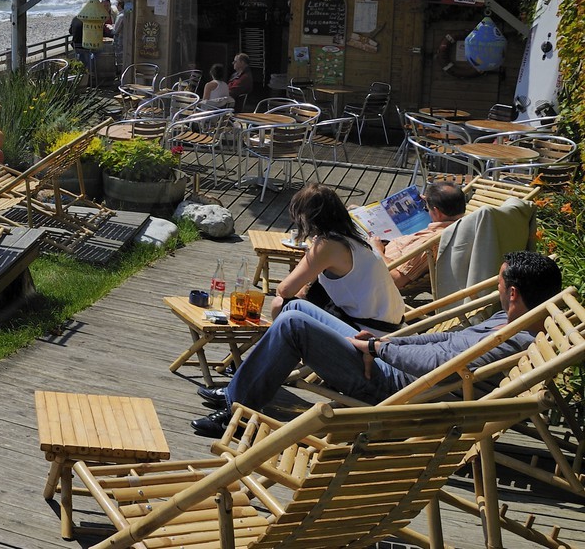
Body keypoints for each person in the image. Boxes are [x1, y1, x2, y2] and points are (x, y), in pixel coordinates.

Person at [193, 250, 562, 435]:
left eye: (499, 284)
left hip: (399, 389)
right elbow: (446, 339)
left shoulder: (515, 339)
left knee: (293, 325)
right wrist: (387, 341)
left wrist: (377, 349)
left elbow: (439, 363)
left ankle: (235, 412)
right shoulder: (518, 316)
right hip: (394, 364)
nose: (496, 289)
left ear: (512, 293)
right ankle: (237, 395)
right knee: (300, 306)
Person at [271, 183, 405, 333]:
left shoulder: (328, 245)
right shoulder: (356, 236)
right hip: (389, 325)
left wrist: (311, 256)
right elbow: (304, 291)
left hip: (366, 331)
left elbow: (284, 290)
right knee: (308, 296)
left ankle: (283, 353)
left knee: (279, 303)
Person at [370, 180, 467, 291]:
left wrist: (377, 250)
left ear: (437, 212)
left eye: (427, 207)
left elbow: (396, 280)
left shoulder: (428, 244)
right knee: (353, 209)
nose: (426, 209)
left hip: (374, 268)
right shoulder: (464, 224)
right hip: (390, 243)